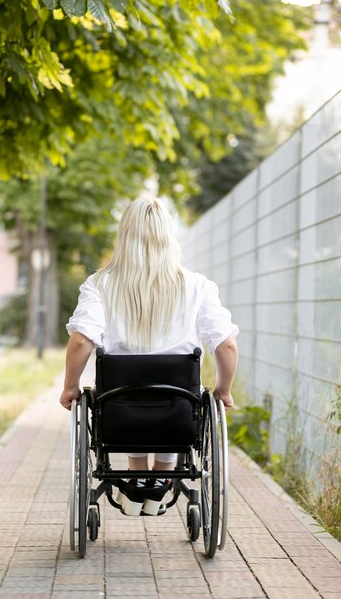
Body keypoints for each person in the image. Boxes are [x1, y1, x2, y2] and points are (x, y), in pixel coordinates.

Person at [59, 197, 239, 514]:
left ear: (124, 237)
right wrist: (223, 390)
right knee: (178, 397)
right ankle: (160, 480)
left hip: (119, 412)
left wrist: (70, 387)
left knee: (129, 393)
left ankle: (138, 479)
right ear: (169, 237)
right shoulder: (197, 286)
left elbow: (81, 341)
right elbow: (226, 345)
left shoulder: (100, 285)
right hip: (178, 413)